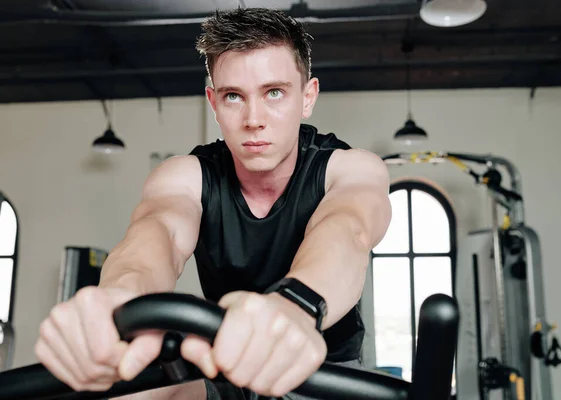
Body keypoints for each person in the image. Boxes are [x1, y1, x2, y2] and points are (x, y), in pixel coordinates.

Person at [34, 7, 392, 400]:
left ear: (307, 98)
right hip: (225, 364)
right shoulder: (184, 176)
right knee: (127, 392)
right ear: (214, 102)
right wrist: (120, 299)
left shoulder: (351, 168)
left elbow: (348, 230)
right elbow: (157, 234)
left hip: (323, 368)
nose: (254, 119)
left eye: (274, 92)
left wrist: (295, 307)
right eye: (234, 96)